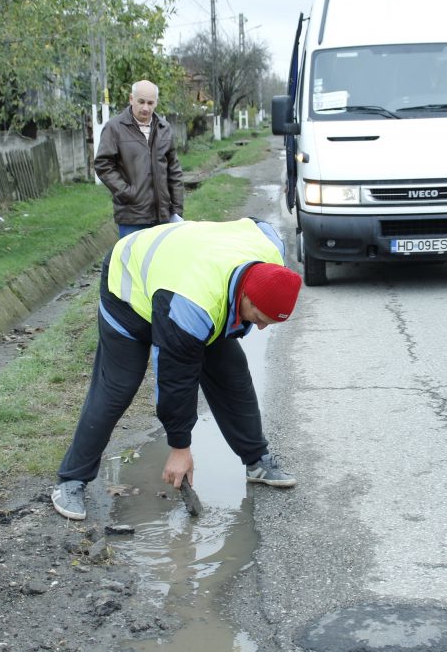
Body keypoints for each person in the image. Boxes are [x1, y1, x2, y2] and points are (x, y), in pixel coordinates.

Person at [51, 217, 303, 520]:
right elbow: (175, 380)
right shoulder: (193, 305)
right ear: (245, 295)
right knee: (118, 385)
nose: (261, 327)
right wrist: (180, 447)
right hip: (131, 282)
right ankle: (71, 480)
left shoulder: (271, 255)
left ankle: (257, 460)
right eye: (259, 316)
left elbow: (257, 224)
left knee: (231, 373)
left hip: (188, 275)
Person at [94, 80, 184, 238]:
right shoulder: (115, 128)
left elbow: (174, 172)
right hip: (132, 217)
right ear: (131, 99)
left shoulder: (164, 128)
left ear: (156, 103)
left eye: (150, 103)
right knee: (133, 262)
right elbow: (103, 164)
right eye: (141, 102)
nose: (145, 108)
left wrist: (176, 210)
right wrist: (127, 193)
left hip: (163, 217)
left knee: (160, 262)